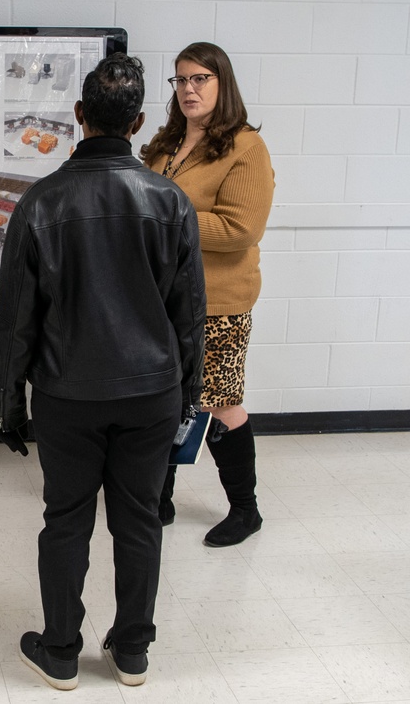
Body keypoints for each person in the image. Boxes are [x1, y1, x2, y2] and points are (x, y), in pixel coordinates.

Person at [0, 53, 206, 691]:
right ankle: (133, 650)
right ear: (138, 122)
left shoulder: (40, 202)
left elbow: (16, 320)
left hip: (68, 393)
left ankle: (60, 651)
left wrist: (7, 404)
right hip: (152, 393)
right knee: (139, 519)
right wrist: (188, 394)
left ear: (79, 116)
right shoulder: (170, 202)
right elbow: (190, 314)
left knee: (66, 520)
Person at [141, 42, 275, 547]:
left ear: (223, 84)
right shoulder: (165, 144)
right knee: (165, 397)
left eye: (200, 79)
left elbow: (241, 227)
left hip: (217, 300)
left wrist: (165, 221)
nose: (188, 90)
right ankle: (161, 498)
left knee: (219, 401)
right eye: (180, 80)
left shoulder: (245, 147)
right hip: (160, 298)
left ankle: (246, 509)